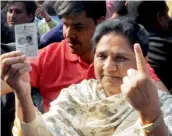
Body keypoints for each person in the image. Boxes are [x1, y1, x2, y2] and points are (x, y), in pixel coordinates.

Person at [1, 18, 172, 136]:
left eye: (120, 58)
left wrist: (151, 116)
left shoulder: (162, 105)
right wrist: (22, 95)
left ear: (143, 61)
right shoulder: (76, 96)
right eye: (102, 56)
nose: (108, 67)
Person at [1, 1, 107, 112]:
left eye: (78, 27)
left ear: (100, 22)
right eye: (65, 25)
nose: (68, 34)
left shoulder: (119, 59)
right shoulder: (48, 57)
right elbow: (7, 81)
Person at [127, 1, 172, 92]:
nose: (168, 17)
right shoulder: (165, 46)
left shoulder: (124, 41)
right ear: (159, 18)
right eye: (166, 13)